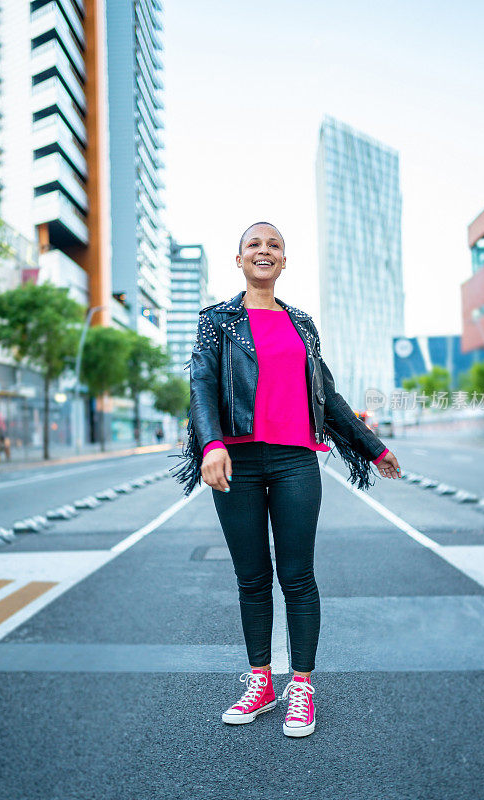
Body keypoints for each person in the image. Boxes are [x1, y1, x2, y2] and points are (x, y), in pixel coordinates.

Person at [168, 221, 402, 738]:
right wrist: (210, 444)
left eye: (274, 245)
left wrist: (373, 446)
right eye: (254, 244)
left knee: (297, 578)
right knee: (252, 580)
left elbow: (327, 396)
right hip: (238, 462)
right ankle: (260, 682)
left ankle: (300, 686)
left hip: (297, 462)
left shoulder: (302, 324)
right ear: (239, 260)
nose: (264, 251)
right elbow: (202, 385)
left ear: (284, 260)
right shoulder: (216, 322)